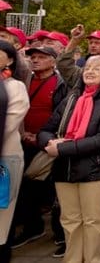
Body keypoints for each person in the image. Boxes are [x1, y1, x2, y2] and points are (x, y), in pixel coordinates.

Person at [38, 54, 100, 262]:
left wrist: (63, 147)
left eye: (98, 69)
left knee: (93, 222)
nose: (90, 71)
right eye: (87, 67)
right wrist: (49, 143)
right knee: (70, 220)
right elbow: (46, 130)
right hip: (64, 170)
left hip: (95, 170)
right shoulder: (71, 99)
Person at [11, 46, 66, 255]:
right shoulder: (24, 81)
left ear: (53, 61)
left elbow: (60, 114)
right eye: (33, 57)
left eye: (41, 57)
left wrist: (43, 137)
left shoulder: (61, 84)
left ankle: (60, 234)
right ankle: (32, 228)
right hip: (22, 140)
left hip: (47, 143)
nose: (35, 61)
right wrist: (23, 132)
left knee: (53, 189)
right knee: (25, 187)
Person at [0, 40, 31, 261]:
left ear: (10, 59)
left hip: (5, 159)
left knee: (2, 217)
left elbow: (9, 125)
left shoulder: (15, 87)